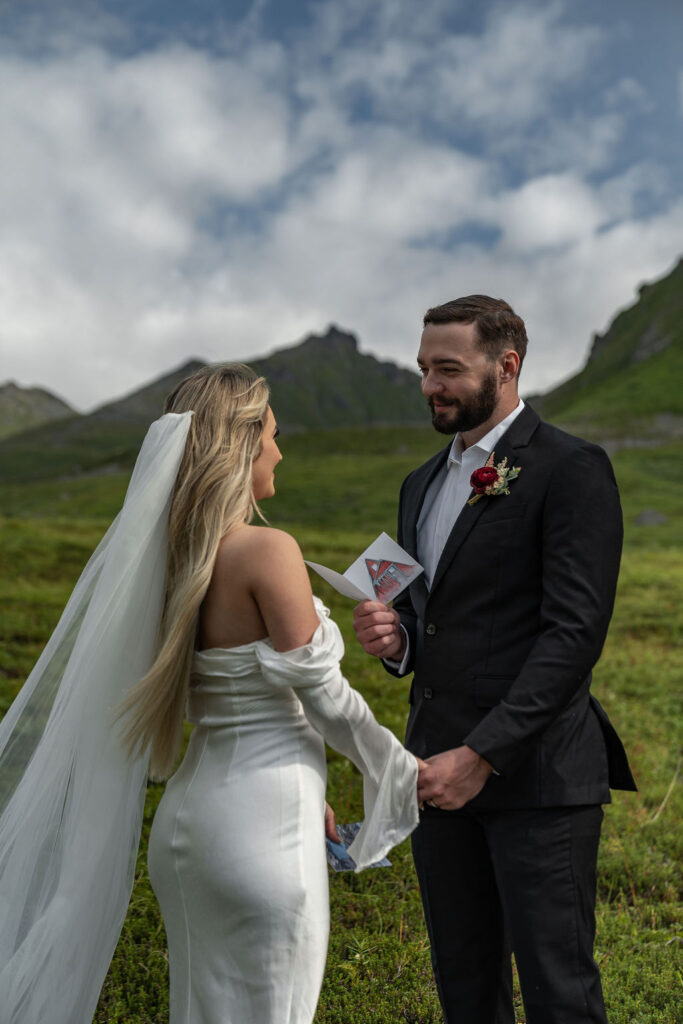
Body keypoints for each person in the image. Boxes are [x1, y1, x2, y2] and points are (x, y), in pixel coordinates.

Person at [0, 363, 420, 1024]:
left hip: (190, 827)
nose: (281, 450)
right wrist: (401, 771)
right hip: (262, 828)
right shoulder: (266, 550)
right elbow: (326, 698)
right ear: (244, 440)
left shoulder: (167, 564)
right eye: (274, 435)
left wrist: (309, 800)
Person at [353, 296, 636, 1024]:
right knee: (465, 984)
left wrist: (480, 754)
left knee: (557, 990)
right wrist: (397, 641)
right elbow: (430, 618)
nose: (430, 386)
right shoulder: (419, 483)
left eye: (447, 369)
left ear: (506, 366)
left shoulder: (570, 468)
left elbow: (572, 635)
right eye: (423, 370)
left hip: (536, 776)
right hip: (434, 774)